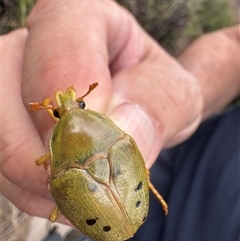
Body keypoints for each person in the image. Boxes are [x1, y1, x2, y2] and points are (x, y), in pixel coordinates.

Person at [1, 0, 239, 240]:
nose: (72, 105)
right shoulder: (113, 142)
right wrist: (184, 93)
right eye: (76, 106)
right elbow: (234, 43)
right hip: (149, 196)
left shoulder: (63, 169)